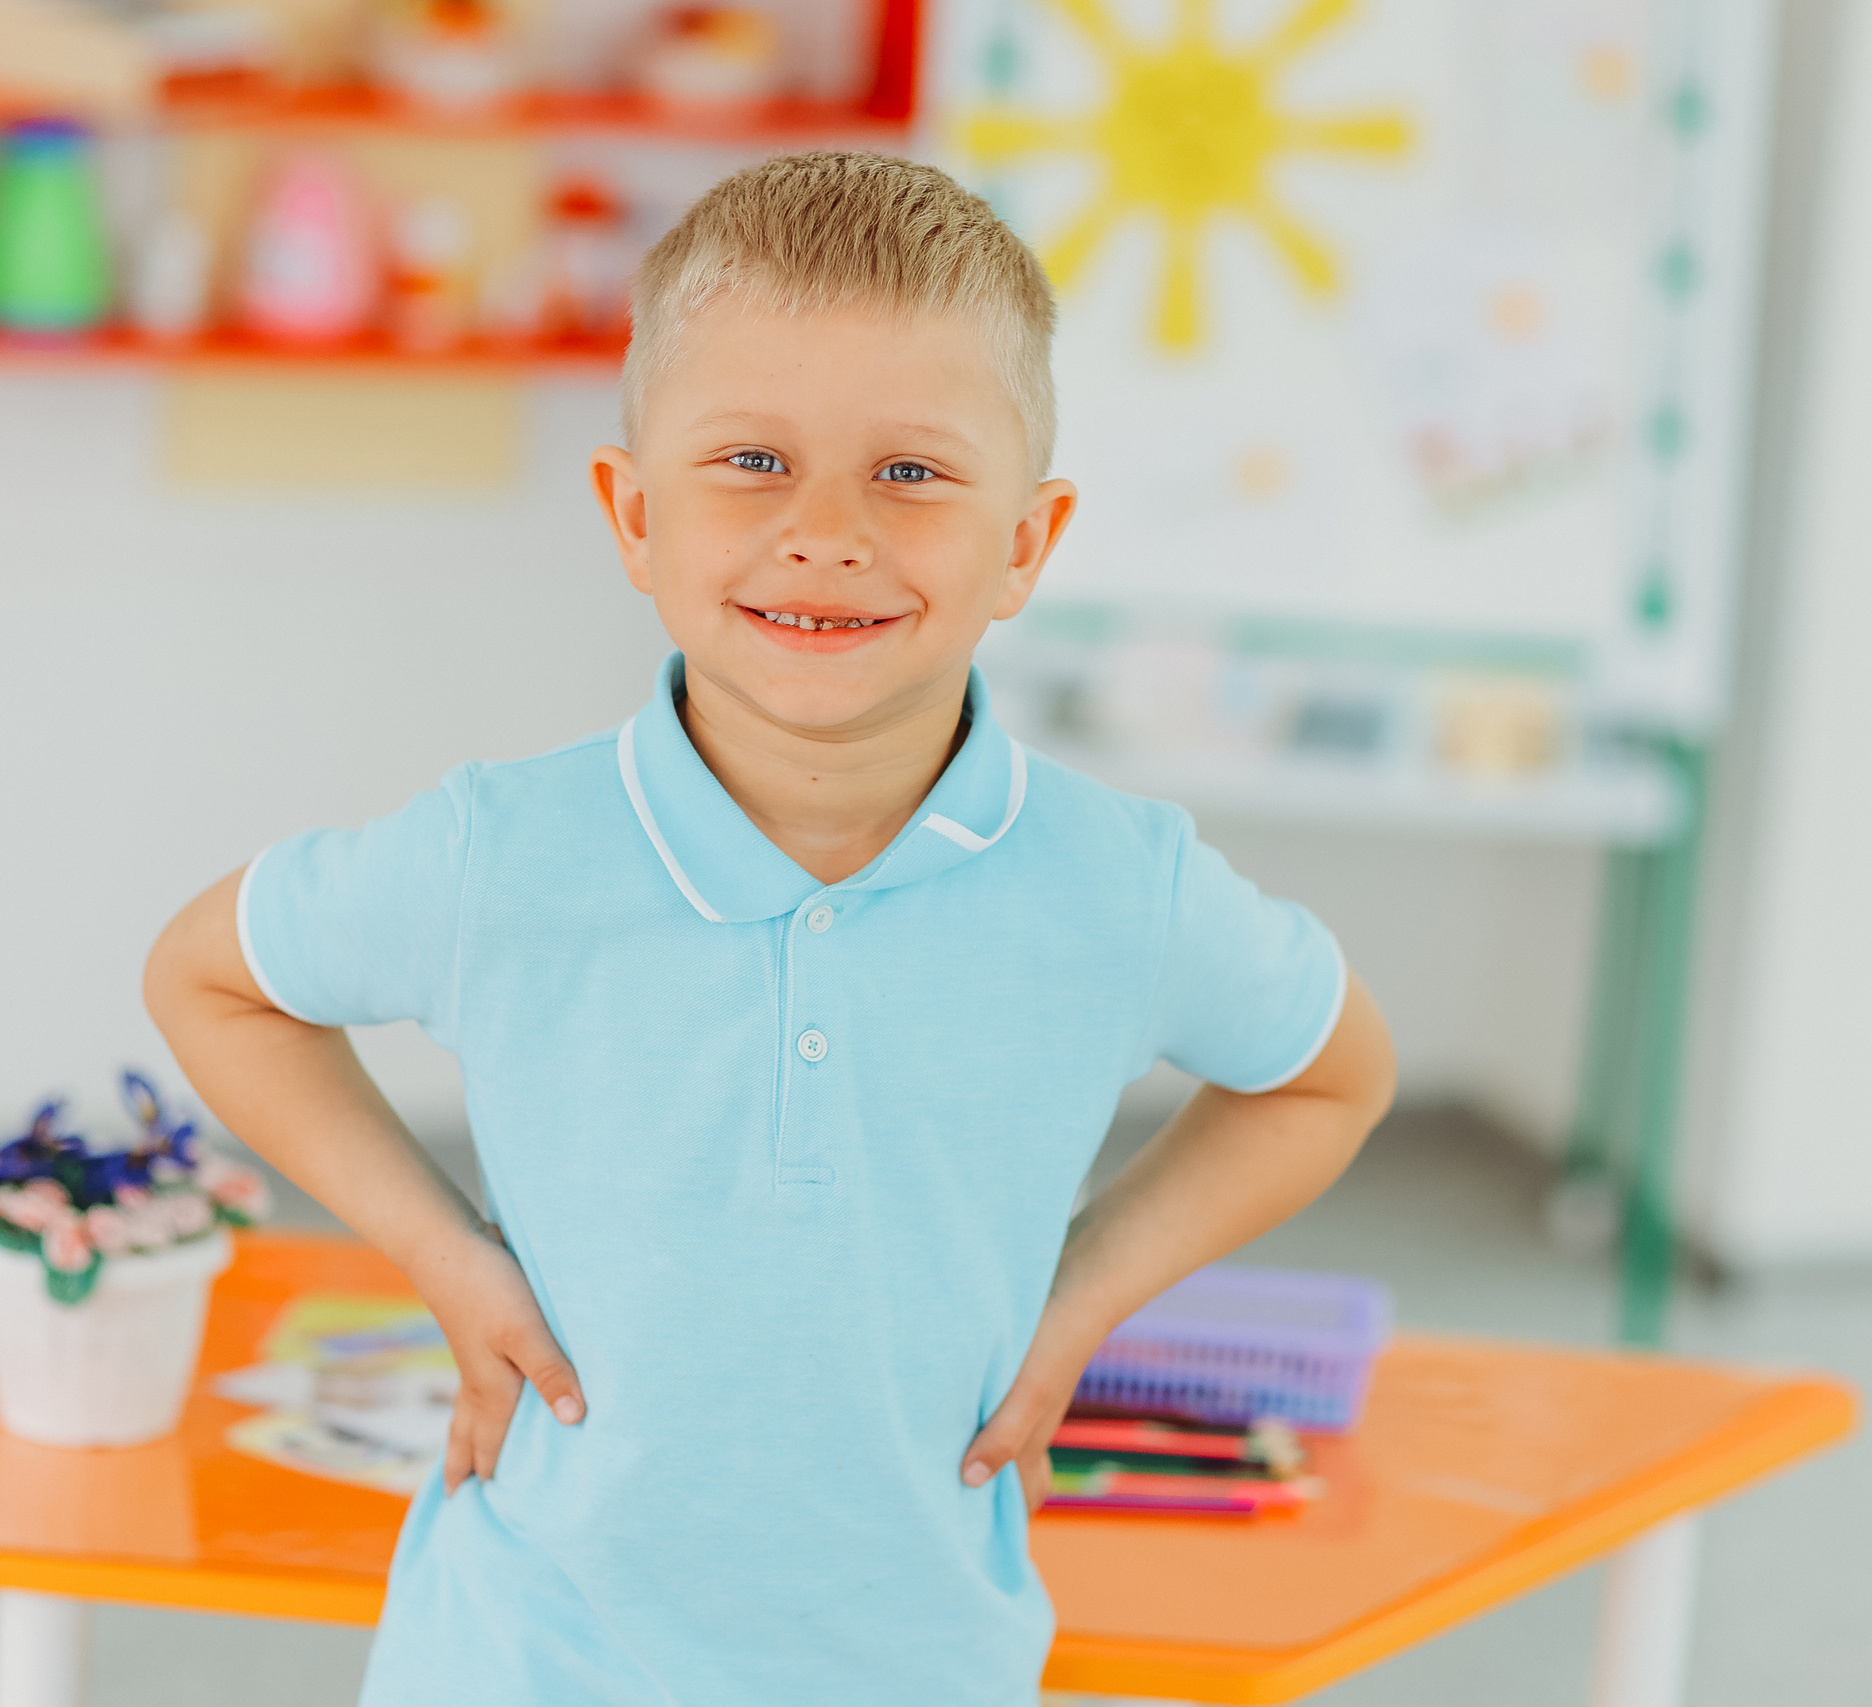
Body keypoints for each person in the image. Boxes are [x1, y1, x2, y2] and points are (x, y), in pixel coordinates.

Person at [144, 151, 1396, 1707]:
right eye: (750, 459)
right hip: (521, 1660)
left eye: (914, 473)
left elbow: (1331, 1072)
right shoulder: (500, 850)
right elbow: (211, 979)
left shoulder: (1118, 882)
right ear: (633, 513)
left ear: (1026, 541)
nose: (825, 531)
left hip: (926, 1664)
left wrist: (1078, 1302)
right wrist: (444, 1258)